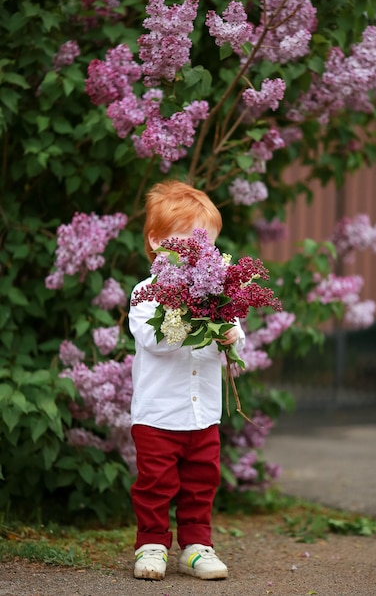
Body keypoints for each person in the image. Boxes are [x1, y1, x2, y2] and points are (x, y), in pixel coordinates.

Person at [128, 180, 245, 581]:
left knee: (201, 482)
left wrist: (231, 333)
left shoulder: (217, 296)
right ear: (158, 242)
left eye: (208, 245)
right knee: (155, 485)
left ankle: (196, 546)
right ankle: (152, 545)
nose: (201, 254)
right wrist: (191, 315)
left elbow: (232, 331)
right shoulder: (147, 294)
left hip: (203, 415)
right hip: (158, 415)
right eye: (189, 244)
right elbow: (155, 340)